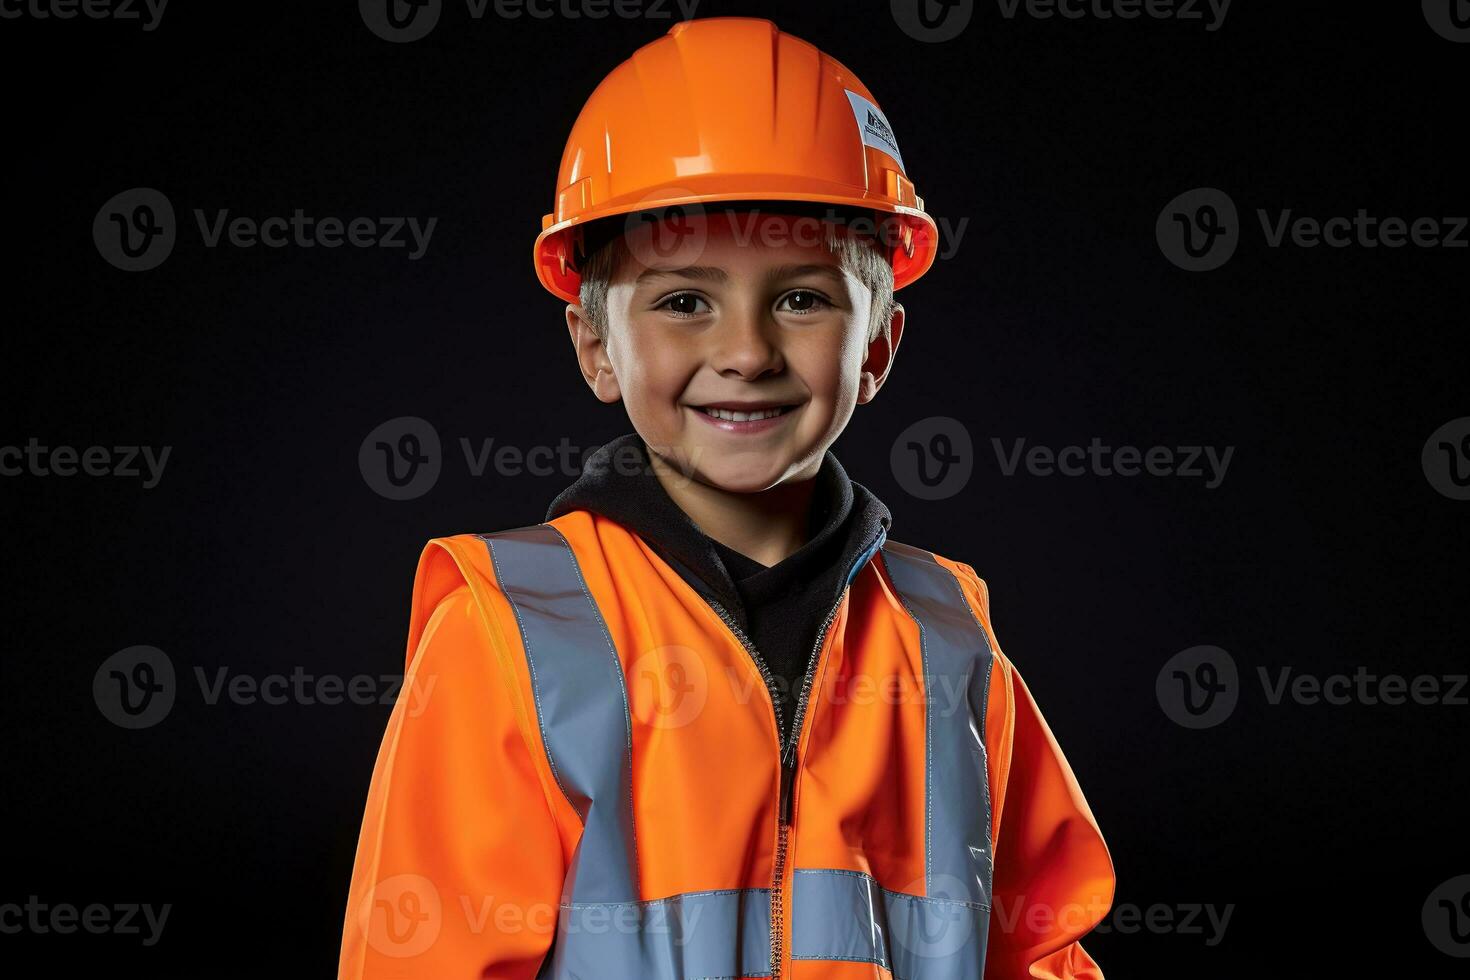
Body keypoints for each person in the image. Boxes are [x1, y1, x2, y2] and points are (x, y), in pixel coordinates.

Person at [339, 17, 1114, 979]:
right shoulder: (510, 638)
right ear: (593, 345)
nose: (745, 353)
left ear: (877, 348)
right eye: (682, 301)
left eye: (802, 299)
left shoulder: (948, 636)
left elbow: (1036, 946)